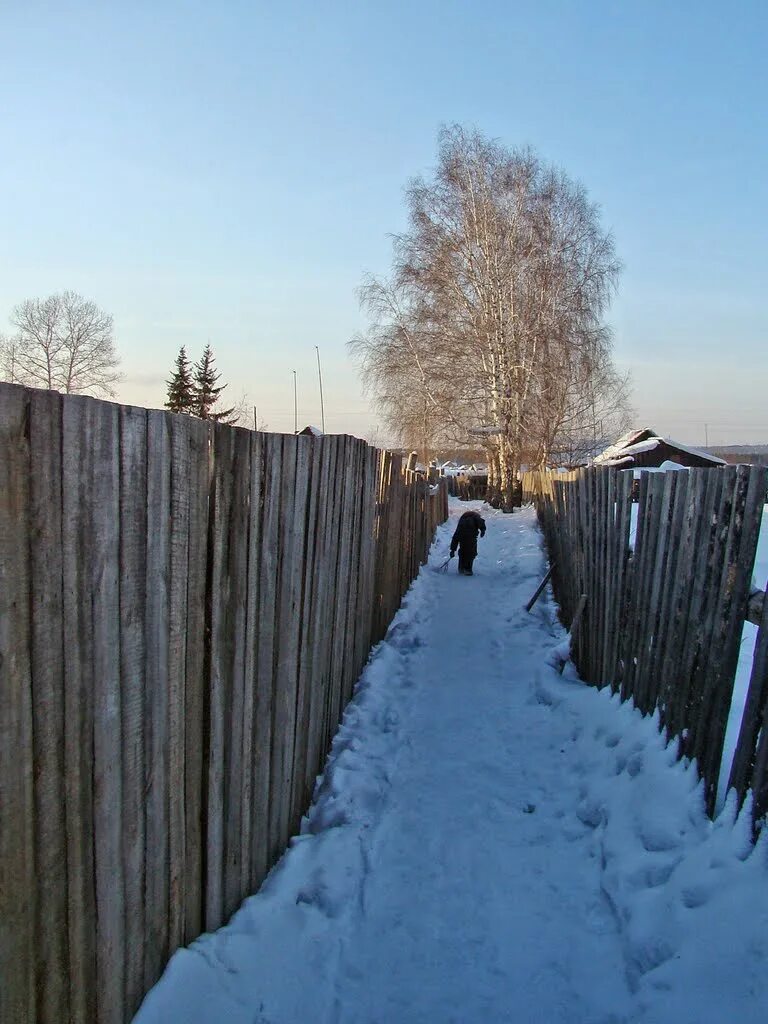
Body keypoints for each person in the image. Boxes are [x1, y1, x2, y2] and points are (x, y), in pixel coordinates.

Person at [449, 510, 486, 575]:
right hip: (471, 537)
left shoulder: (462, 521)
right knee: (471, 552)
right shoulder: (475, 516)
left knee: (463, 551)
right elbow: (481, 523)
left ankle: (461, 568)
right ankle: (468, 569)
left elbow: (456, 536)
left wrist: (452, 550)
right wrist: (483, 530)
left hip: (462, 536)